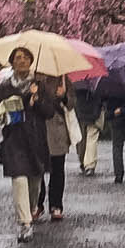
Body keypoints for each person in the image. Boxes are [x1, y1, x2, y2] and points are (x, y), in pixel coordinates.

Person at [0, 48, 58, 240]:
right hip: (14, 139)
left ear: (31, 61)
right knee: (19, 180)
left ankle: (32, 207)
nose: (22, 61)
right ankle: (25, 223)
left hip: (36, 140)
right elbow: (0, 114)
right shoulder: (5, 87)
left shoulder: (40, 85)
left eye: (26, 58)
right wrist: (21, 104)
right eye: (18, 58)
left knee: (35, 183)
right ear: (12, 62)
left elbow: (49, 112)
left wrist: (37, 100)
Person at [41, 75, 74, 220]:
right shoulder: (35, 80)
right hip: (40, 130)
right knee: (38, 170)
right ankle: (37, 203)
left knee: (58, 169)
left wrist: (64, 96)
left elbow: (72, 105)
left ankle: (56, 205)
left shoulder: (64, 80)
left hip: (58, 131)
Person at [71, 83, 103, 178]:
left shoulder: (77, 80)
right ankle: (89, 165)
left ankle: (83, 161)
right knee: (91, 139)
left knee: (81, 139)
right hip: (95, 111)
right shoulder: (99, 79)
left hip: (81, 112)